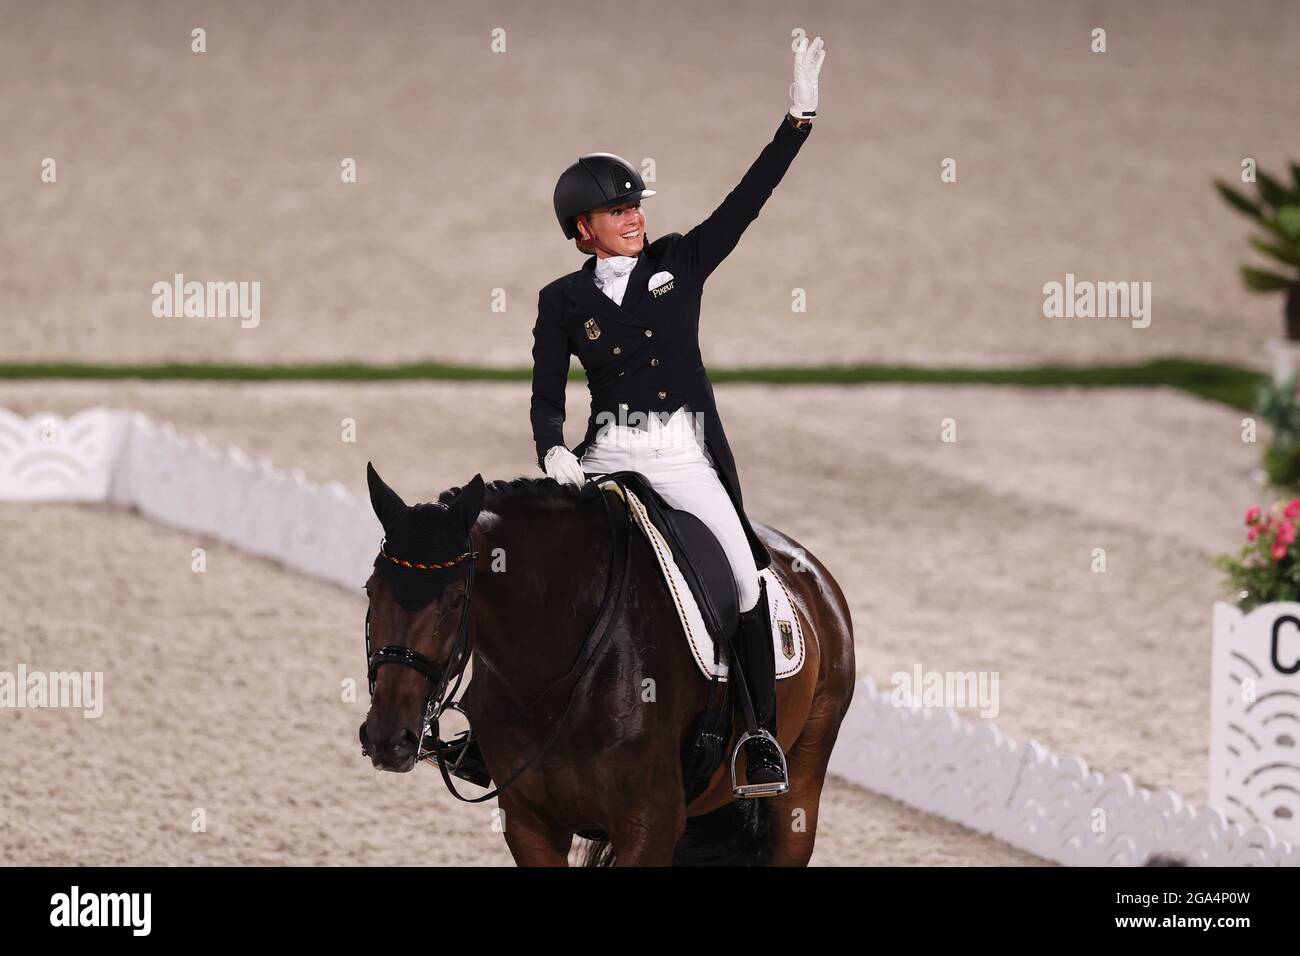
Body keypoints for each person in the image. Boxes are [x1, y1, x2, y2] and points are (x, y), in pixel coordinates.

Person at [530, 37, 825, 796]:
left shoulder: (680, 261)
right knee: (536, 564)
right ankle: (509, 719)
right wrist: (550, 450)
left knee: (748, 577)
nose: (633, 217)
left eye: (636, 205)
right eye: (616, 210)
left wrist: (797, 119)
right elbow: (545, 389)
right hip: (605, 456)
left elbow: (746, 202)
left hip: (682, 456)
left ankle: (758, 734)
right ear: (581, 229)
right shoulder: (561, 301)